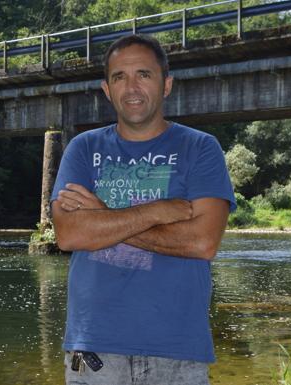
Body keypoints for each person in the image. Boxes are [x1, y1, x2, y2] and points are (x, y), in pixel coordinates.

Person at [50, 34, 236, 385]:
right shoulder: (82, 149)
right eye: (120, 77)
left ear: (166, 85)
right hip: (95, 352)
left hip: (178, 353)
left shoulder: (200, 148)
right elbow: (70, 234)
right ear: (107, 89)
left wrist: (103, 216)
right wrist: (156, 211)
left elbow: (202, 242)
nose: (131, 87)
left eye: (143, 74)